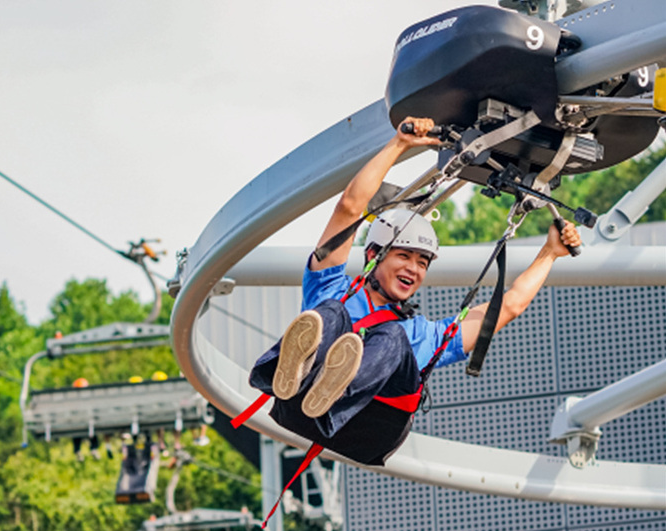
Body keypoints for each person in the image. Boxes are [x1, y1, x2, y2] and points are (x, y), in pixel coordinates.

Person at [248, 116, 582, 465]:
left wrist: (550, 254)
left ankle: (336, 390)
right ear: (374, 255)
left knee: (393, 337)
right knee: (330, 312)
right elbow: (349, 208)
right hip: (299, 401)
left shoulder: (419, 334)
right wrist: (399, 145)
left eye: (422, 262)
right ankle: (293, 375)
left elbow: (508, 306)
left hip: (369, 424)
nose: (414, 268)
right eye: (404, 256)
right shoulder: (331, 288)